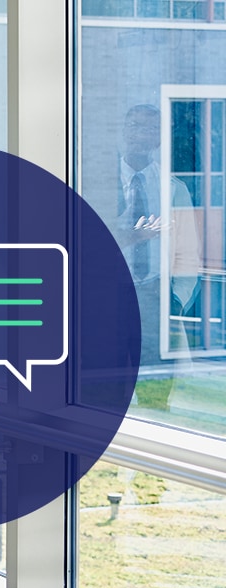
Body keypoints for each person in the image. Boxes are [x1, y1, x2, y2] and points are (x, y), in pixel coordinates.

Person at [113, 104, 201, 410]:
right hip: (107, 295)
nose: (141, 135)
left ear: (159, 139)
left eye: (150, 129)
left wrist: (175, 300)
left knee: (154, 393)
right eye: (135, 126)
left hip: (155, 295)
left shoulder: (173, 189)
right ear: (124, 132)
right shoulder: (97, 185)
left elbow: (189, 254)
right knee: (104, 386)